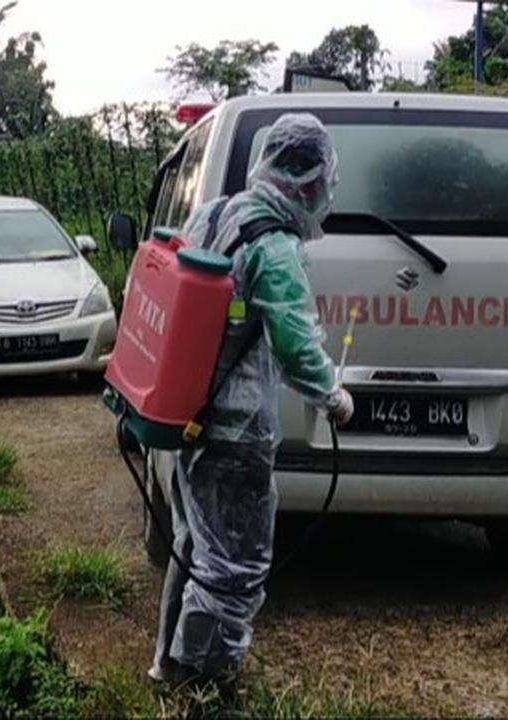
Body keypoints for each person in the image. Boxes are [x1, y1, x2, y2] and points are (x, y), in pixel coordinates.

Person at [150, 114, 355, 684]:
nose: (325, 196)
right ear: (308, 181)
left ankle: (169, 663)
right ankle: (204, 682)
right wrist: (334, 398)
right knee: (233, 568)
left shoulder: (214, 213)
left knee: (195, 547)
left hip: (190, 411)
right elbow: (295, 344)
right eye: (324, 183)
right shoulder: (275, 245)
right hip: (237, 431)